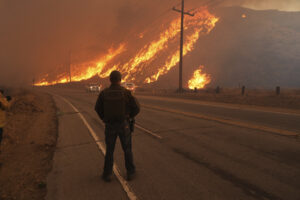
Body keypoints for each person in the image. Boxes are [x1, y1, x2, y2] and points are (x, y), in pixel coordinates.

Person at [95, 71, 140, 182]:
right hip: (123, 125)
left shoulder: (104, 93)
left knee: (109, 150)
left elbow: (97, 108)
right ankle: (130, 172)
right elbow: (137, 108)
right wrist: (129, 117)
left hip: (110, 125)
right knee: (127, 149)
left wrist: (104, 118)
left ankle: (107, 174)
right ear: (120, 80)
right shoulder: (126, 93)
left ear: (110, 80)